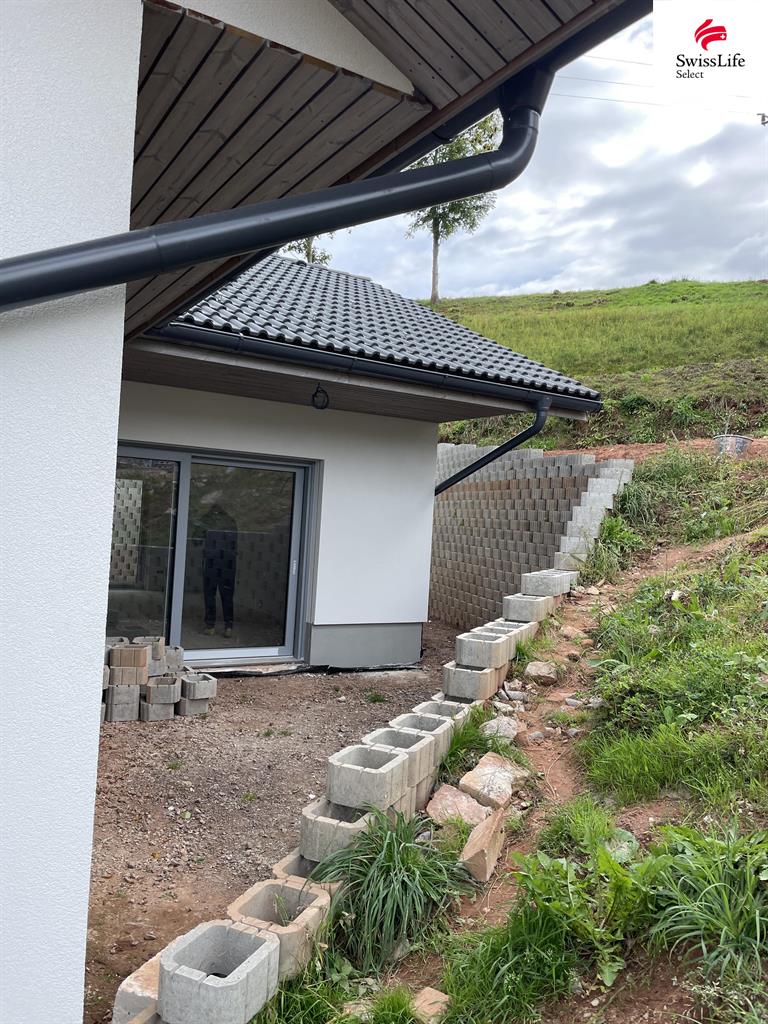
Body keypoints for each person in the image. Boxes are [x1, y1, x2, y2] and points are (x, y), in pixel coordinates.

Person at [198, 502, 238, 637]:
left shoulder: (206, 520)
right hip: (228, 563)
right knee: (228, 595)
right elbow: (235, 543)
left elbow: (196, 540)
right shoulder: (231, 521)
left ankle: (210, 626)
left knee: (210, 594)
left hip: (211, 562)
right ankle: (228, 627)